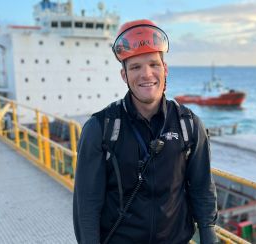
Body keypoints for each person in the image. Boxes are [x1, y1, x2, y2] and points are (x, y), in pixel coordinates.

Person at [73, 19, 218, 244]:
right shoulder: (100, 128)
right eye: (135, 67)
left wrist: (208, 233)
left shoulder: (189, 125)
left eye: (153, 64)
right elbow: (87, 205)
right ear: (124, 76)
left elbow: (202, 188)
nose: (146, 74)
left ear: (165, 69)